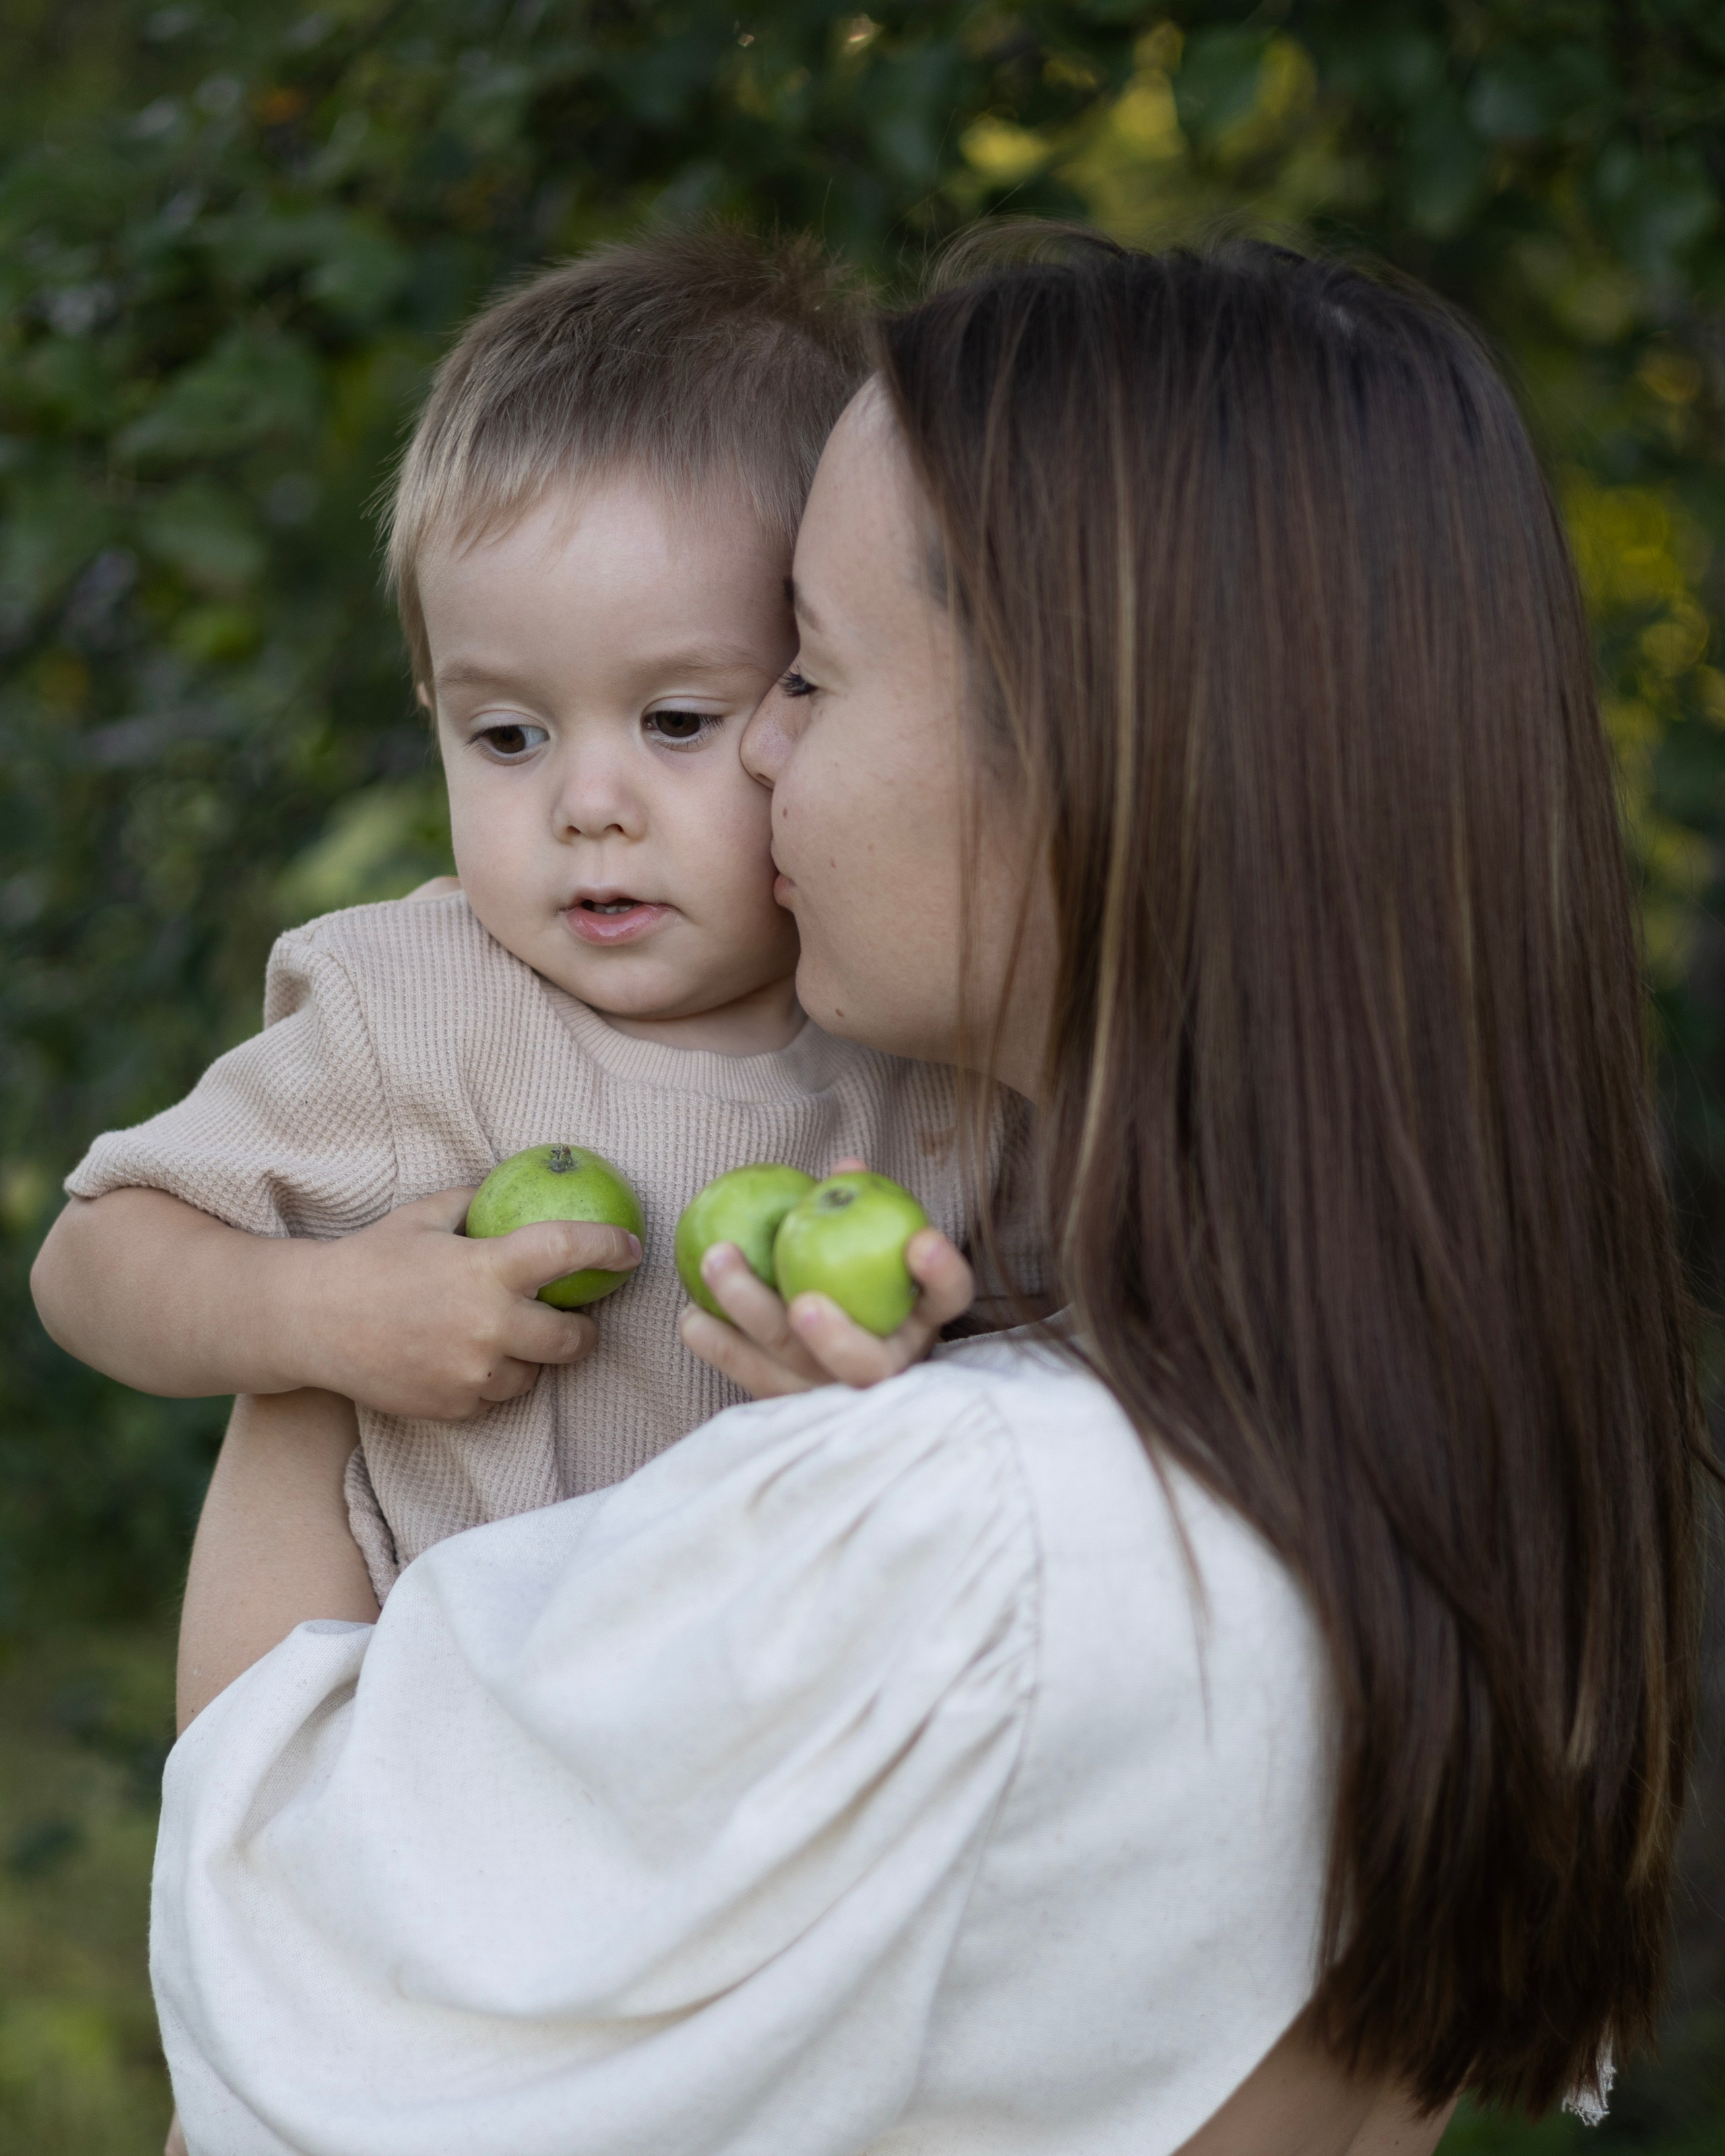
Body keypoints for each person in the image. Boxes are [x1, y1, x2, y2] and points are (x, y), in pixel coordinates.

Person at [149, 234, 1705, 2154]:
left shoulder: (973, 1535)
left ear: (1083, 753)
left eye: (803, 667)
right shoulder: (1396, 1460)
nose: (759, 752)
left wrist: (310, 1316)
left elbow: (284, 1969)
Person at [29, 227, 1036, 1612]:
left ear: (808, 694)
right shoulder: (419, 1004)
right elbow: (91, 1256)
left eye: (678, 720)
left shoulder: (932, 1042)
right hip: (456, 1758)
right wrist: (317, 1315)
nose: (586, 803)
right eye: (507, 735)